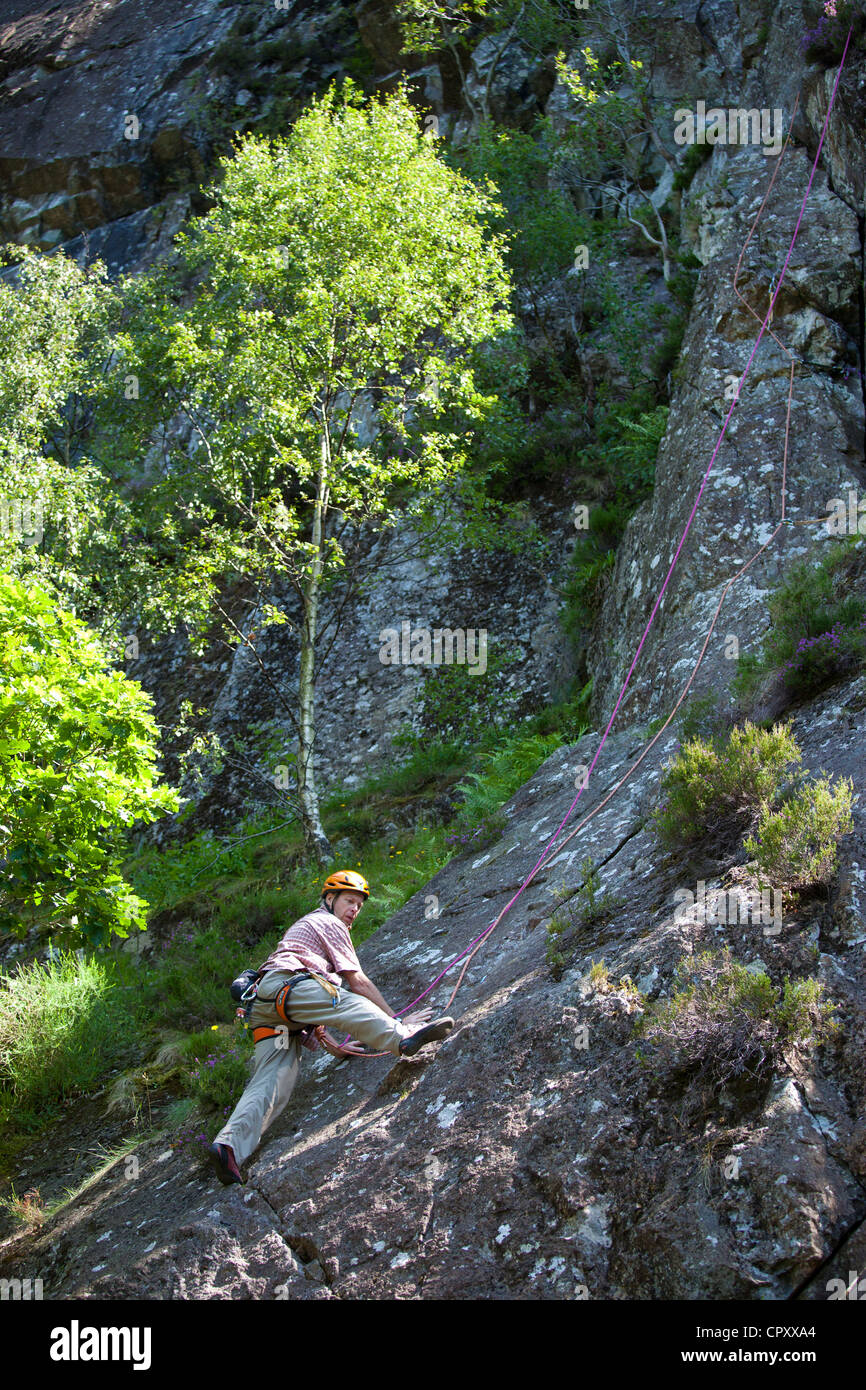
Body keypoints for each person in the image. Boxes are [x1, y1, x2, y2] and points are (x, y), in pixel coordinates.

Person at [208, 869, 453, 1184]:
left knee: (274, 1079)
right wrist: (398, 1022)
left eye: (359, 906)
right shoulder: (327, 922)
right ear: (329, 899)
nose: (354, 910)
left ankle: (228, 1147)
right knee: (345, 1000)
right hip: (289, 988)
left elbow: (314, 1012)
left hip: (268, 1008)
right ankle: (401, 1039)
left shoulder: (303, 933)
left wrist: (335, 1049)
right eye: (349, 901)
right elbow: (356, 981)